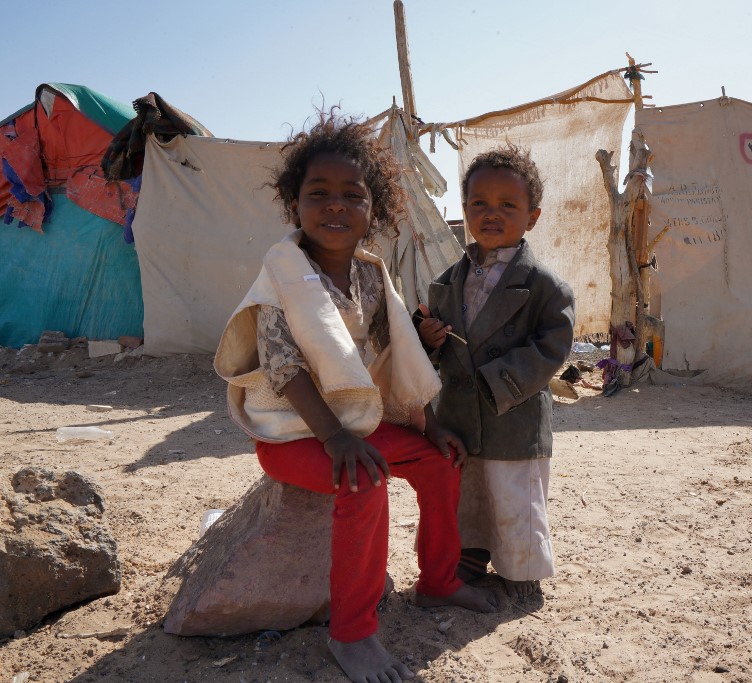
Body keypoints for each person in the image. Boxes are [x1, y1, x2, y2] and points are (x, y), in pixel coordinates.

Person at [214, 109, 497, 683]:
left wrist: (425, 422)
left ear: (376, 210)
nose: (336, 205)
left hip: (353, 423)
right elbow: (284, 367)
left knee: (440, 459)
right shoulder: (283, 272)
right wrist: (336, 438)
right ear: (296, 204)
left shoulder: (371, 275)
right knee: (363, 481)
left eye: (353, 195)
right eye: (319, 193)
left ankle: (439, 581)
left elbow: (398, 360)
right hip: (292, 430)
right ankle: (352, 633)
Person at [416, 146, 575, 600]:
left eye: (508, 204)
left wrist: (495, 380)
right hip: (459, 418)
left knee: (513, 498)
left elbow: (551, 347)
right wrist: (428, 338)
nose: (492, 213)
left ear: (533, 216)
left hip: (514, 420)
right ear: (464, 211)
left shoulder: (547, 287)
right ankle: (466, 561)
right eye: (480, 203)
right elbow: (423, 347)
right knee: (467, 496)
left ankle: (520, 574)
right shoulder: (443, 283)